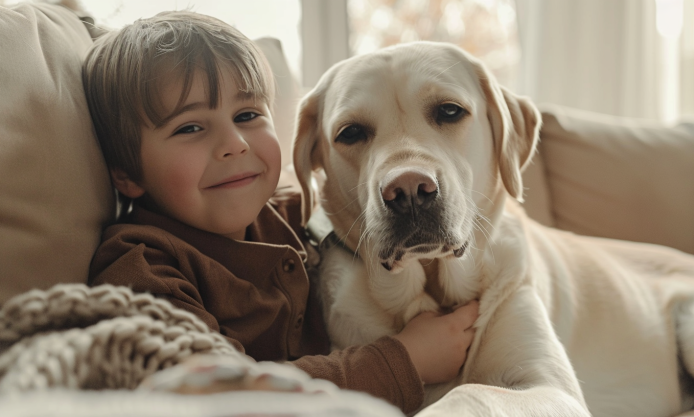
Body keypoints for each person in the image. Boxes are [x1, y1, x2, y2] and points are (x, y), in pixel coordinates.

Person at [83, 11, 478, 414]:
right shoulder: (142, 270)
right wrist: (403, 361)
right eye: (190, 128)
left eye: (247, 116)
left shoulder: (292, 214)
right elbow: (218, 396)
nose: (235, 143)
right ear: (128, 174)